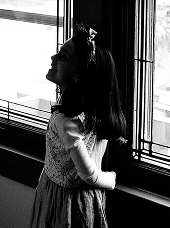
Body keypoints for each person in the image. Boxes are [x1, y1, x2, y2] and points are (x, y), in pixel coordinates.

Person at [29, 24, 127, 228]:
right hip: (77, 196)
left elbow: (89, 174)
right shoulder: (93, 112)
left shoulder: (67, 121)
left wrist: (111, 179)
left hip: (66, 203)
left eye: (63, 56)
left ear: (79, 76)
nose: (53, 57)